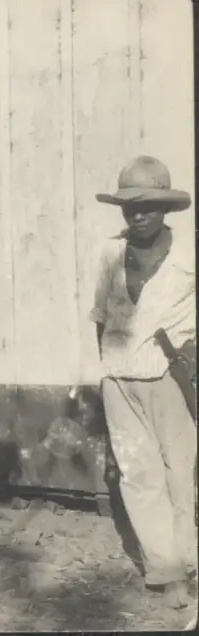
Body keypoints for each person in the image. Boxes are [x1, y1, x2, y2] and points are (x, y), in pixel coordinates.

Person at [90, 155, 197, 608]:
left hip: (170, 376)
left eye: (148, 205)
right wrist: (107, 370)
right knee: (139, 474)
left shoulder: (188, 253)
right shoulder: (110, 252)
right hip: (119, 379)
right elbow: (101, 316)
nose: (138, 215)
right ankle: (167, 569)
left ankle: (190, 559)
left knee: (182, 472)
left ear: (165, 208)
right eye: (130, 206)